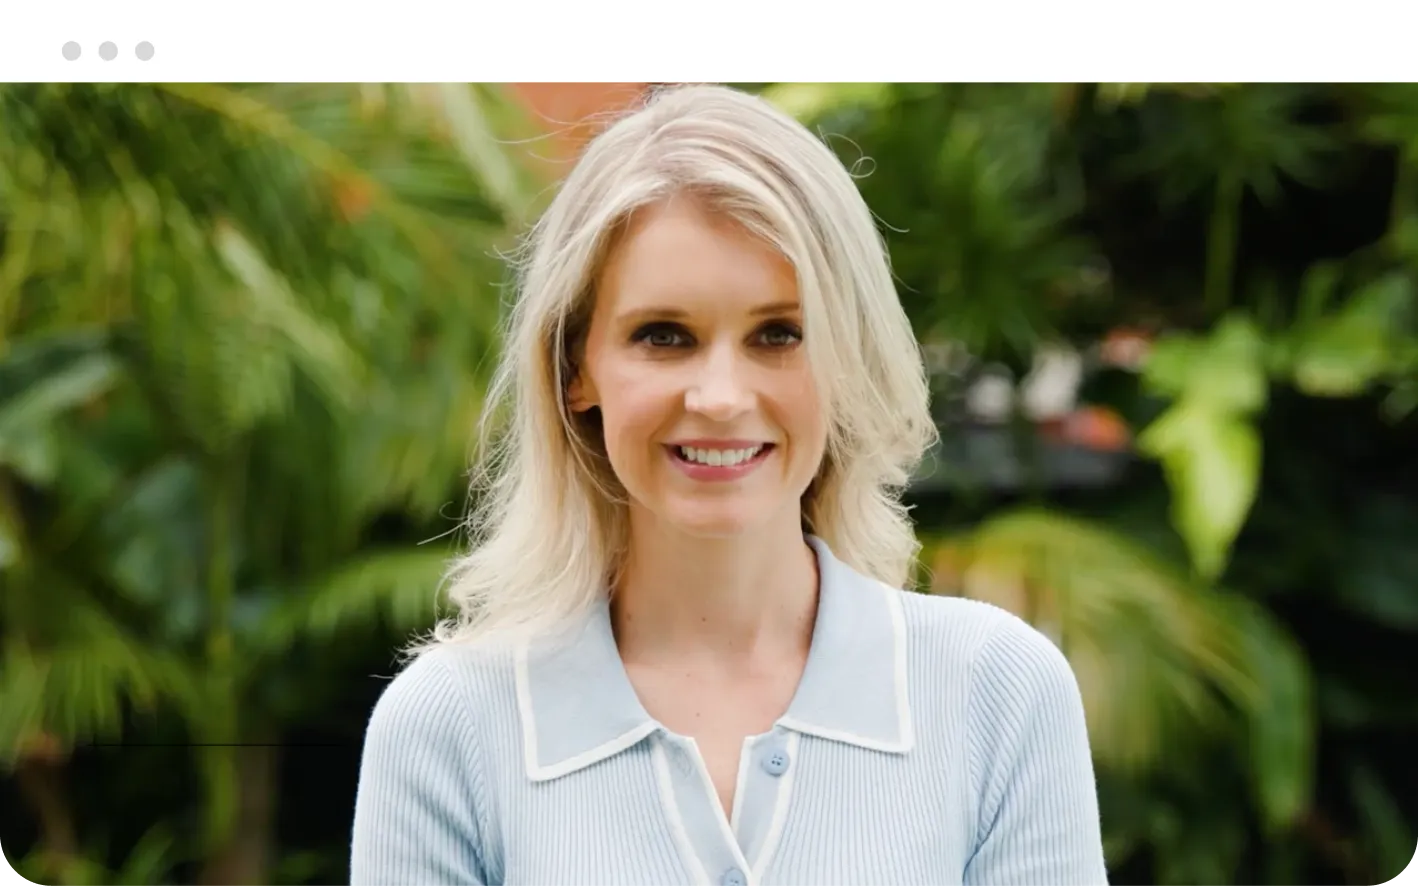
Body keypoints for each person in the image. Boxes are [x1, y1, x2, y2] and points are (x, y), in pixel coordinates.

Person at [350, 83, 1108, 886]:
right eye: (664, 336)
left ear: (847, 359)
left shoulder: (996, 693)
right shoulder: (452, 726)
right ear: (577, 368)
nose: (719, 397)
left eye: (778, 333)